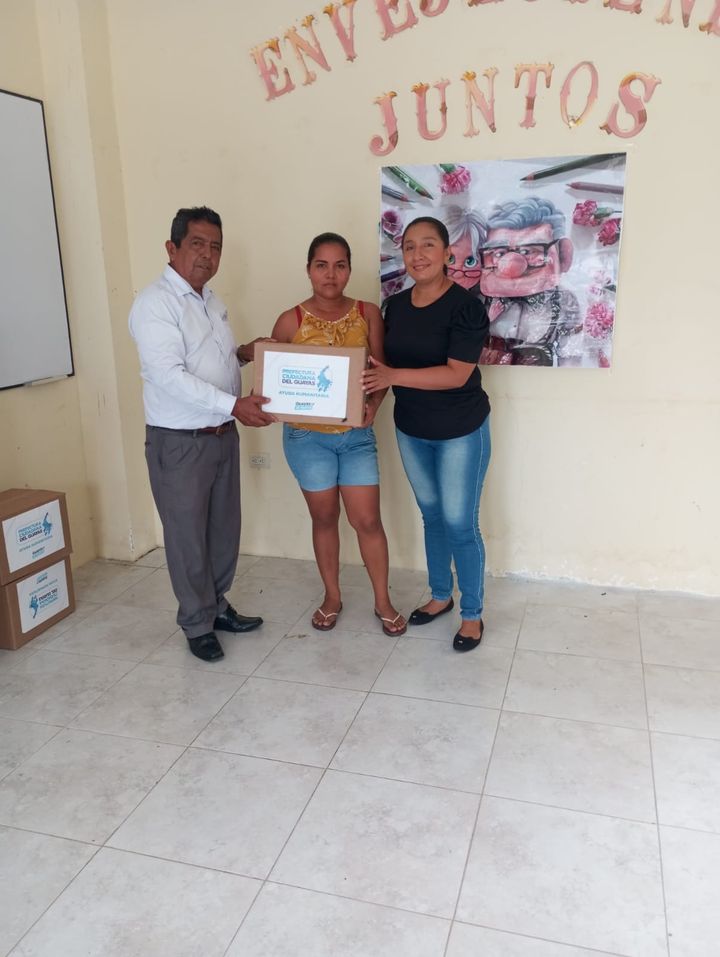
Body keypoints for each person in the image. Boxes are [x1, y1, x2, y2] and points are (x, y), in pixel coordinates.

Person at [129, 206, 274, 662]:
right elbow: (168, 375)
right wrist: (234, 405)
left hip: (221, 435)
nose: (207, 255)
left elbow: (207, 359)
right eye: (197, 244)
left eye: (215, 247)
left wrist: (243, 354)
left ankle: (217, 606)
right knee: (187, 536)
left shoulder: (210, 300)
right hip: (180, 442)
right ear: (171, 248)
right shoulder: (155, 304)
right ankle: (196, 622)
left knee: (223, 529)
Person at [362, 216, 491, 652]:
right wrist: (368, 400)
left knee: (460, 522)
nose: (418, 255)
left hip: (460, 431)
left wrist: (394, 376)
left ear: (447, 253)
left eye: (428, 245)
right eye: (409, 246)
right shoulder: (395, 307)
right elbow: (381, 367)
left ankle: (472, 614)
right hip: (412, 429)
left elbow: (457, 375)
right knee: (432, 516)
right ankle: (440, 595)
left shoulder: (466, 307)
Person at [271, 232, 406, 636]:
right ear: (309, 269)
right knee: (324, 517)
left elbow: (381, 371)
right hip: (306, 439)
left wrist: (373, 408)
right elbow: (274, 379)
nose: (330, 274)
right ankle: (332, 597)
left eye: (339, 265)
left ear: (349, 269)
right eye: (321, 265)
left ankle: (382, 601)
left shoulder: (368, 314)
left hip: (356, 436)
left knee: (367, 520)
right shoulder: (290, 321)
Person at [478, 197, 582, 366]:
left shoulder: (564, 301)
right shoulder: (479, 299)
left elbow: (571, 354)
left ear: (563, 255)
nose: (511, 266)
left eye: (528, 251)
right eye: (499, 253)